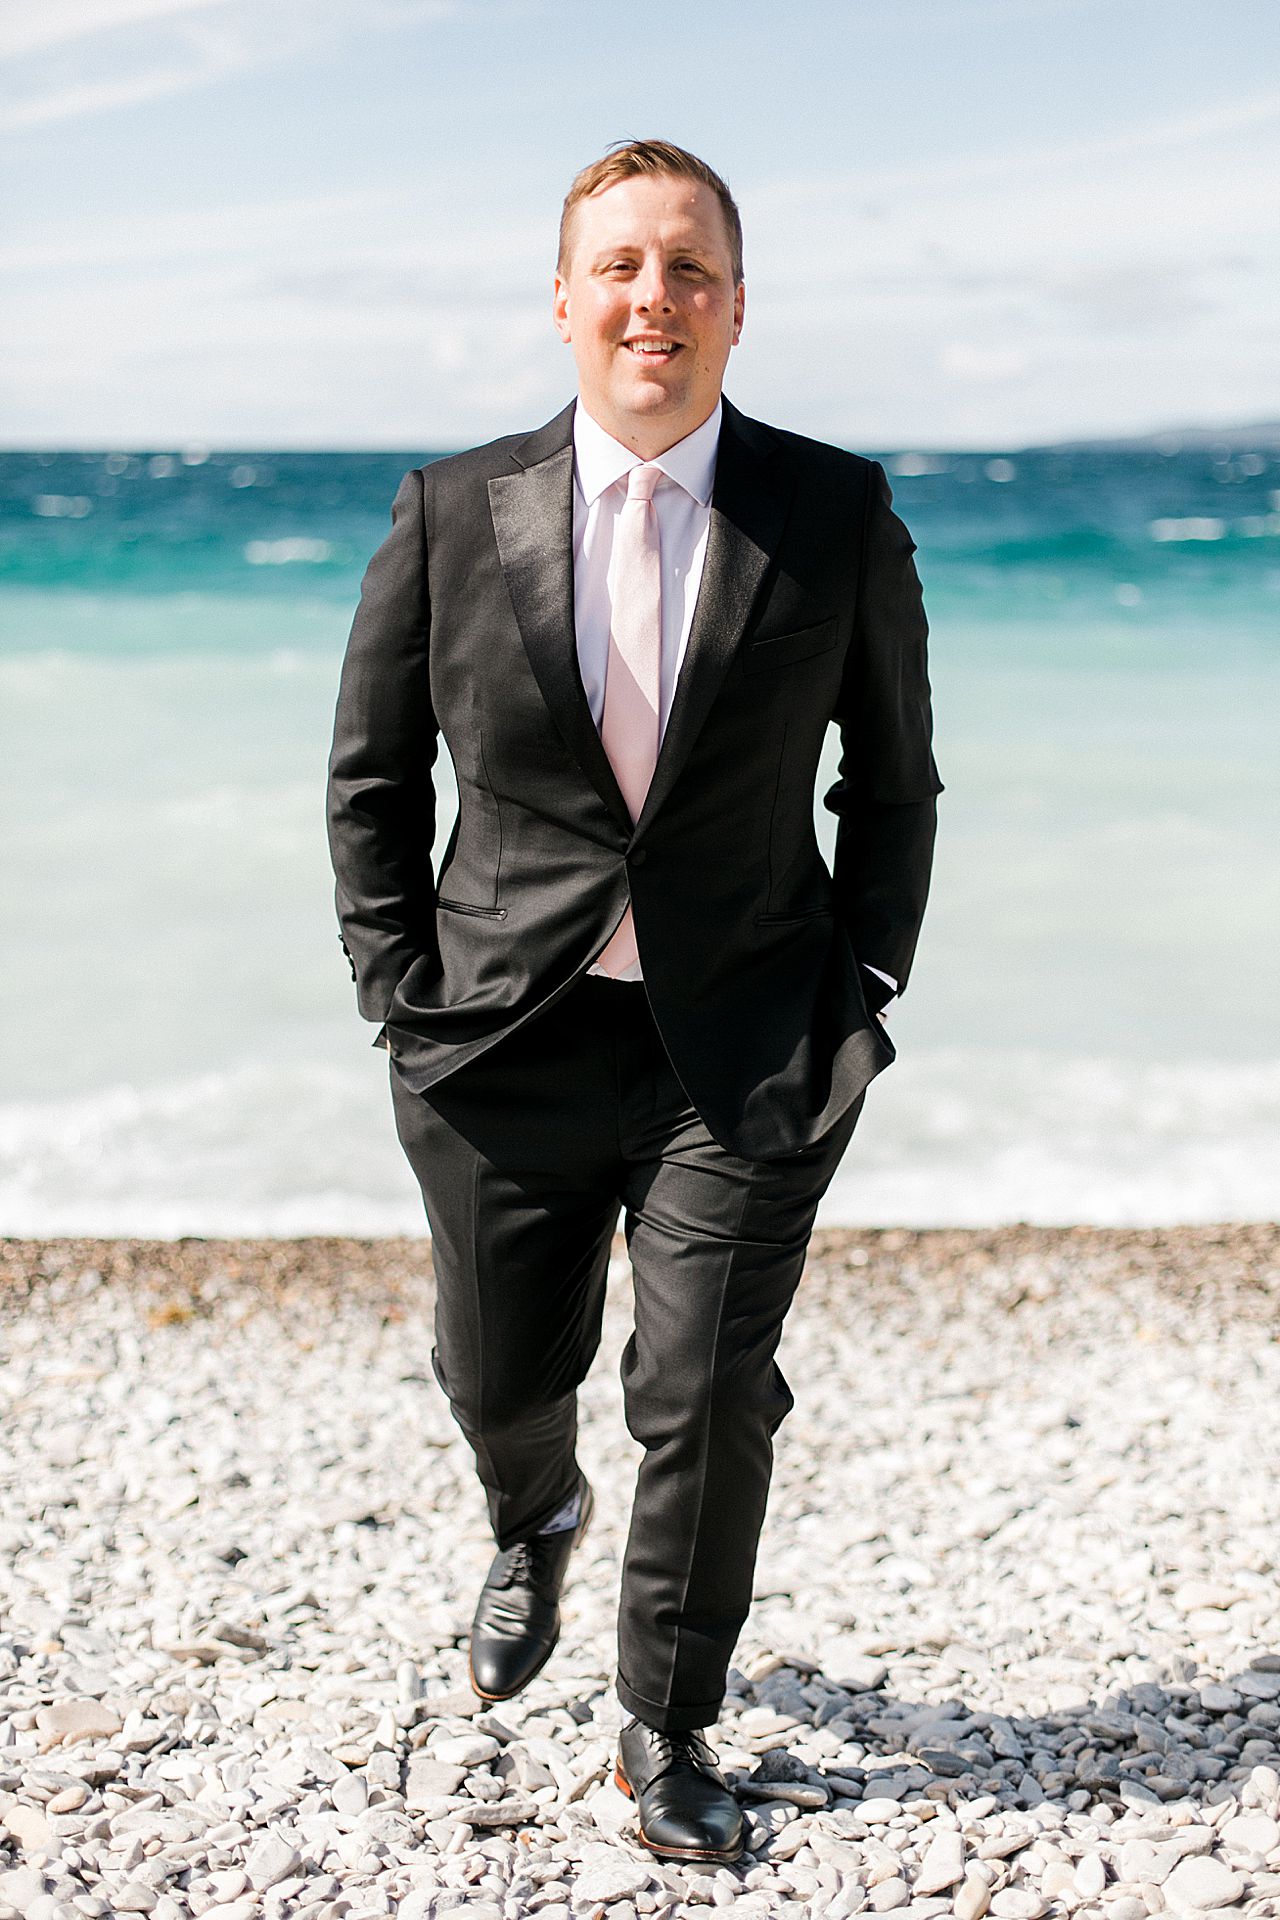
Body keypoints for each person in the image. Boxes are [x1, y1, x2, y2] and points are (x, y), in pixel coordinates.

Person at [326, 138, 941, 1866]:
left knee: (710, 1386)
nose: (651, 298)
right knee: (496, 1368)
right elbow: (371, 780)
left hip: (741, 1048)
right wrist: (398, 991)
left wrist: (867, 974)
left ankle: (663, 1728)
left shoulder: (832, 512)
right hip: (500, 1039)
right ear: (564, 299)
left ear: (738, 307)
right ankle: (533, 1512)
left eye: (687, 268)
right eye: (620, 265)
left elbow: (893, 781)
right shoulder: (453, 510)